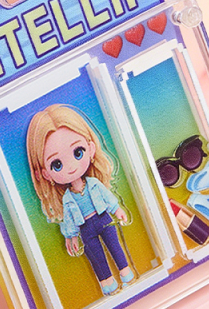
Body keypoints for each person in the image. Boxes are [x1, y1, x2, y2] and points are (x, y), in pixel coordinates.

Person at [26, 104, 134, 296]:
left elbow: (107, 197)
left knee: (114, 245)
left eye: (78, 152)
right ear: (45, 174)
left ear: (90, 149)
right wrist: (71, 236)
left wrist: (117, 209)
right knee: (96, 256)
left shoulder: (93, 183)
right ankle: (107, 283)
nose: (70, 167)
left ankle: (126, 273)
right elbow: (68, 218)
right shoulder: (67, 198)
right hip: (85, 228)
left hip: (103, 219)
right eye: (57, 164)